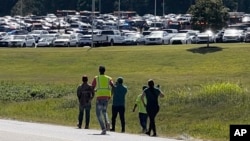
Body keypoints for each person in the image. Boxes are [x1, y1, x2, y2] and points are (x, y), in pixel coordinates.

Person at [92, 66, 114, 135]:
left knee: (98, 114)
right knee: (104, 111)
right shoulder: (109, 78)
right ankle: (107, 121)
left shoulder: (96, 78)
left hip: (99, 97)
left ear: (99, 71)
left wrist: (95, 90)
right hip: (106, 97)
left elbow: (92, 87)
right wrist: (111, 94)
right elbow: (113, 85)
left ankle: (103, 128)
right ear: (104, 71)